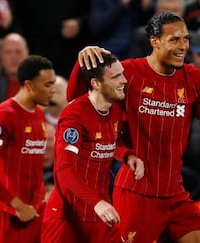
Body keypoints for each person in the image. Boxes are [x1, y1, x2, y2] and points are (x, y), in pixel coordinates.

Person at [69, 11, 200, 243]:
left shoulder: (195, 79)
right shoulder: (128, 73)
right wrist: (80, 64)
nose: (183, 46)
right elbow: (75, 99)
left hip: (175, 194)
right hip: (136, 193)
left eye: (185, 39)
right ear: (155, 41)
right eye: (174, 40)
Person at [41, 53, 144, 242]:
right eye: (116, 77)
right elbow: (65, 168)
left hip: (100, 215)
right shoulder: (74, 116)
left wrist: (128, 156)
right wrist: (97, 203)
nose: (124, 80)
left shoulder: (113, 110)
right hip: (67, 216)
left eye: (122, 74)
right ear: (96, 84)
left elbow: (112, 141)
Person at [0, 55, 56, 243]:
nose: (53, 90)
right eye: (47, 85)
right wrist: (17, 205)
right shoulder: (3, 116)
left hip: (33, 212)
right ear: (29, 85)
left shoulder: (37, 115)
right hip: (7, 214)